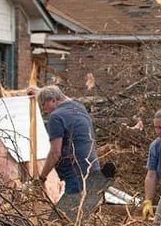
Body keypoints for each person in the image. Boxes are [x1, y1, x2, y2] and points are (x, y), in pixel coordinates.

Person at [30, 84, 105, 218]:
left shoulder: (56, 117)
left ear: (53, 100)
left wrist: (42, 178)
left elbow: (55, 153)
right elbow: (64, 97)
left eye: (43, 105)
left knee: (61, 221)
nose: (44, 110)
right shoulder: (79, 106)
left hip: (76, 174)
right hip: (93, 171)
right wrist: (40, 92)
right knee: (80, 219)